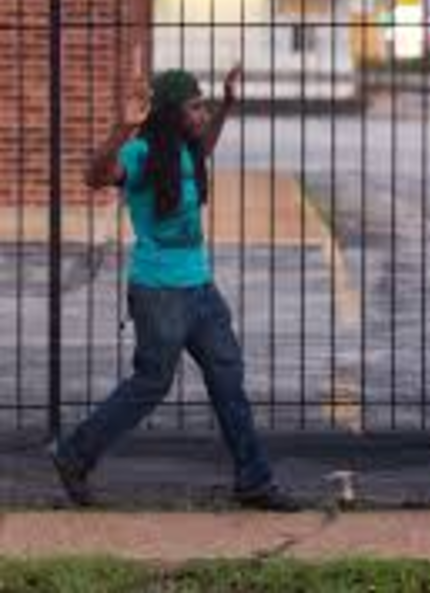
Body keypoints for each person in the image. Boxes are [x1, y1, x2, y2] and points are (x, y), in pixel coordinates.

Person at [49, 66, 299, 512]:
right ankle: (74, 455)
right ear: (170, 113)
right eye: (194, 107)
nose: (201, 114)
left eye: (203, 106)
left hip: (200, 288)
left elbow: (206, 145)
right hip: (159, 291)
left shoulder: (186, 148)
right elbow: (94, 176)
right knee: (152, 383)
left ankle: (254, 480)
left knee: (228, 378)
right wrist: (123, 126)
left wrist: (227, 105)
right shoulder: (141, 153)